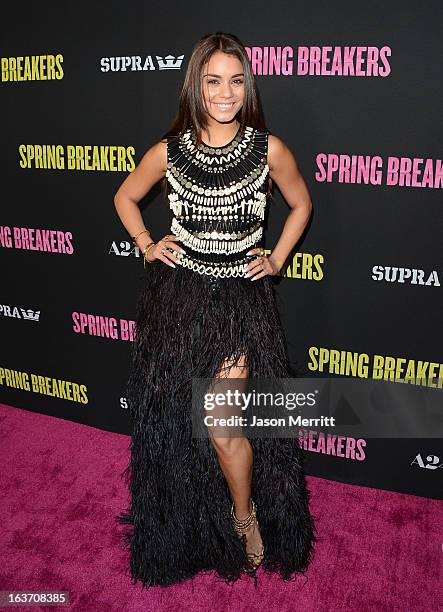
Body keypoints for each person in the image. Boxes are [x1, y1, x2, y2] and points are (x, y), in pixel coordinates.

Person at [114, 31, 317, 589]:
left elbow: (301, 204)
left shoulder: (266, 148)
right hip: (178, 302)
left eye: (234, 81)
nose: (225, 93)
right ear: (195, 87)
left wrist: (275, 258)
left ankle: (244, 517)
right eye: (212, 81)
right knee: (178, 426)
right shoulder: (169, 151)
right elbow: (124, 197)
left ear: (246, 85)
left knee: (224, 427)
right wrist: (147, 243)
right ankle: (187, 525)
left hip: (237, 307)